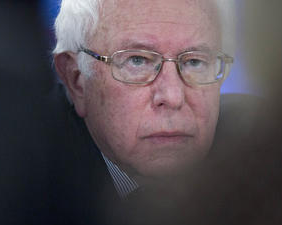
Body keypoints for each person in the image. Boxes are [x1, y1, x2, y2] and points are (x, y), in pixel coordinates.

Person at [52, 0, 235, 198]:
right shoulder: (26, 178)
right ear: (76, 79)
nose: (173, 97)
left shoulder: (253, 154)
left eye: (195, 61)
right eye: (137, 61)